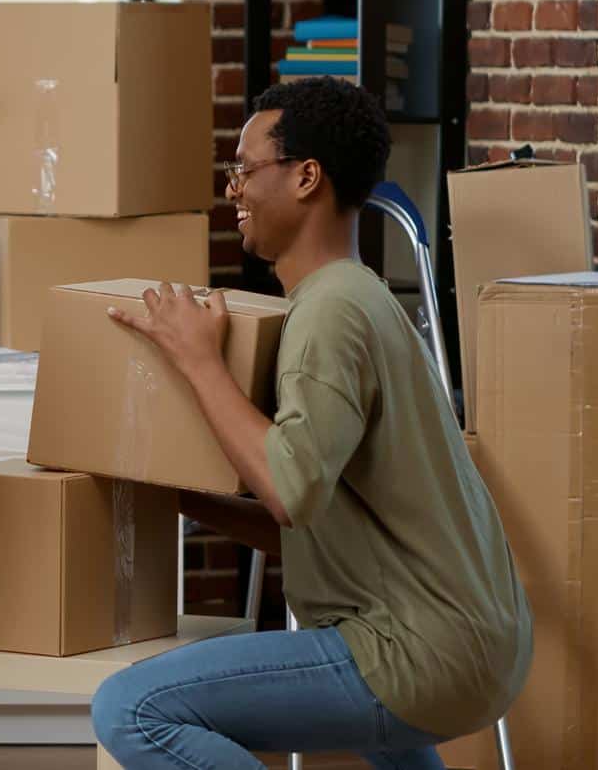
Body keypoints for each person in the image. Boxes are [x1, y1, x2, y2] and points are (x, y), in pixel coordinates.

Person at [91, 76, 531, 769]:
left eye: (244, 168)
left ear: (306, 178)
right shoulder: (363, 296)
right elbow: (318, 519)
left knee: (130, 708)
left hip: (414, 648)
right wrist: (179, 499)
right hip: (472, 641)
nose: (232, 188)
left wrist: (198, 360)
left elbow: (290, 491)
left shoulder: (328, 314)